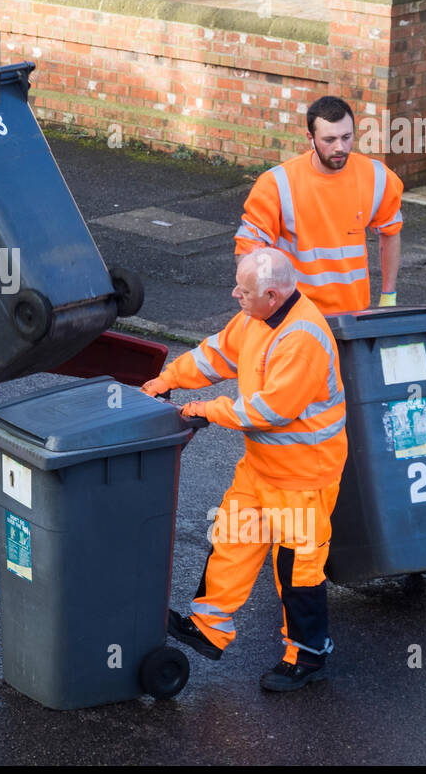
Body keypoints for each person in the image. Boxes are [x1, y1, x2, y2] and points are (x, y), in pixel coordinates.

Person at [142, 248, 347, 691]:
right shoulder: (257, 317)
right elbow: (216, 354)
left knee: (297, 569)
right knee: (233, 539)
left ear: (272, 295)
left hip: (303, 478)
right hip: (263, 465)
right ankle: (209, 627)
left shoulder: (302, 340)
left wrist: (205, 408)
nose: (235, 294)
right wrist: (169, 379)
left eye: (244, 290)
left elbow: (269, 410)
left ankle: (308, 655)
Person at [235, 95, 403, 314]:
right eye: (329, 139)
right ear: (310, 138)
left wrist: (388, 297)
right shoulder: (277, 184)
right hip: (296, 316)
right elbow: (248, 248)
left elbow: (390, 232)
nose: (340, 147)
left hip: (354, 314)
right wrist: (262, 299)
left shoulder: (378, 178)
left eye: (346, 137)